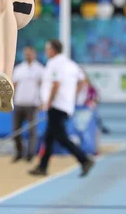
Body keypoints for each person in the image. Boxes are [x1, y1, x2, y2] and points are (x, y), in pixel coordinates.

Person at [29, 40, 95, 177]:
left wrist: (48, 102)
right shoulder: (71, 64)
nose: (46, 52)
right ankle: (42, 166)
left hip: (56, 106)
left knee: (61, 137)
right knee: (49, 137)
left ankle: (84, 159)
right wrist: (73, 97)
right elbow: (82, 81)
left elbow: (56, 84)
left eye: (47, 49)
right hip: (66, 105)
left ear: (53, 50)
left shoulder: (54, 63)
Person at [12, 45, 44, 162]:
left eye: (29, 53)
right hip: (19, 103)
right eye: (25, 54)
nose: (27, 56)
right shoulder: (18, 69)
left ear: (34, 54)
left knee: (32, 131)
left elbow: (43, 87)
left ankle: (30, 154)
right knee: (16, 130)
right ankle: (19, 152)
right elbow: (13, 86)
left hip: (32, 104)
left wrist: (42, 101)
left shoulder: (40, 69)